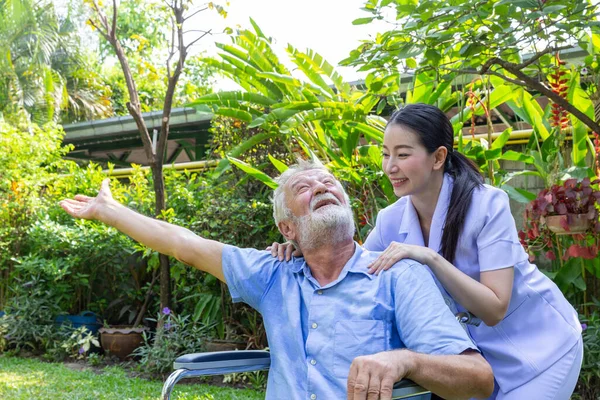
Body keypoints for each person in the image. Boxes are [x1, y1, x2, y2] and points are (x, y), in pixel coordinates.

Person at [60, 162, 493, 400]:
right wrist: (108, 211)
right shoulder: (273, 275)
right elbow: (183, 243)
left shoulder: (398, 274)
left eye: (329, 182)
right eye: (305, 187)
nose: (322, 185)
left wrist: (405, 360)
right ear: (288, 230)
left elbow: (478, 378)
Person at [271, 104, 583, 400]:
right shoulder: (391, 219)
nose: (390, 167)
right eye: (385, 155)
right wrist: (302, 244)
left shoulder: (488, 205)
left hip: (541, 350)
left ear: (438, 158)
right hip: (477, 362)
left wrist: (429, 257)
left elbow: (494, 308)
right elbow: (358, 266)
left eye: (403, 155)